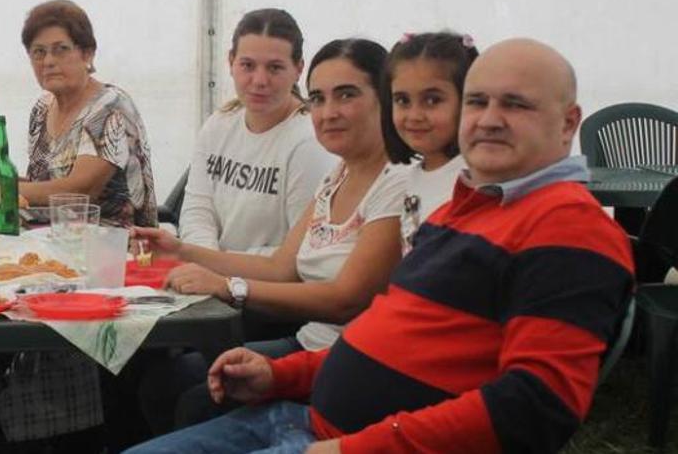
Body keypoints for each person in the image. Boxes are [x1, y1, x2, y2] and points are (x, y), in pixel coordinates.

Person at [126, 38, 634, 454]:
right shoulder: (464, 206)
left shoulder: (568, 226)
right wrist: (279, 374)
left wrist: (354, 449)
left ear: (569, 122)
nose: (489, 118)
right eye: (479, 102)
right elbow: (388, 337)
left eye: (515, 104)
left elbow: (535, 407)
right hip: (307, 413)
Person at [133, 38, 406, 433]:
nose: (329, 112)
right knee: (162, 383)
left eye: (346, 95)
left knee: (192, 397)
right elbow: (281, 266)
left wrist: (229, 285)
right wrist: (181, 250)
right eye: (318, 98)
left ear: (385, 98)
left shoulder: (397, 183)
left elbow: (346, 300)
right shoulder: (340, 174)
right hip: (311, 341)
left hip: (349, 361)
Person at [181, 9, 334, 255]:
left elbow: (303, 252)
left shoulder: (309, 143)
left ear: (298, 69)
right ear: (231, 62)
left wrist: (220, 268)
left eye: (274, 68)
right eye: (247, 65)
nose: (260, 80)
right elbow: (197, 211)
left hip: (268, 287)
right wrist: (208, 262)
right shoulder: (219, 124)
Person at [20, 0, 158, 228]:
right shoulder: (42, 109)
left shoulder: (110, 108)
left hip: (113, 249)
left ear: (87, 54)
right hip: (47, 240)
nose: (49, 61)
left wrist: (2, 189)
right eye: (38, 52)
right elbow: (40, 186)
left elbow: (79, 191)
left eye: (60, 50)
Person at [382, 31, 478, 254]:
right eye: (402, 100)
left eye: (432, 100)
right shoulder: (413, 175)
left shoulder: (472, 179)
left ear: (468, 99)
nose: (414, 115)